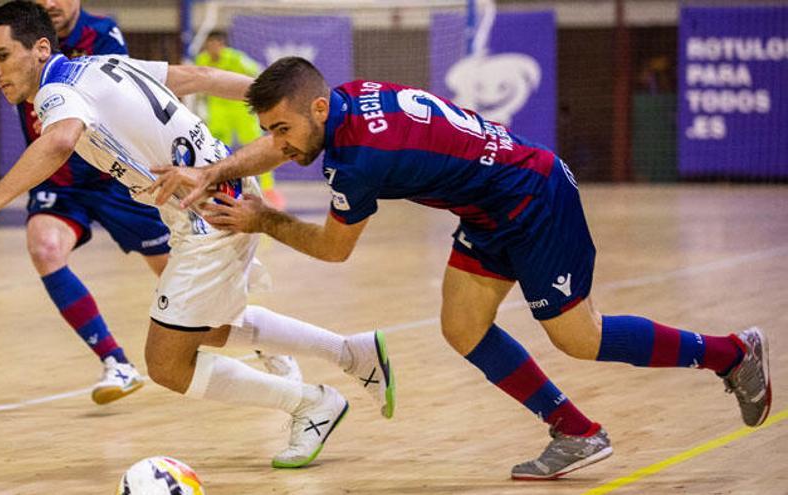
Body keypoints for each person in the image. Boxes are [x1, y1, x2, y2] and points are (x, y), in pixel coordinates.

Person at [153, 57, 772, 480]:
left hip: (533, 199)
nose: (278, 145)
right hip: (490, 208)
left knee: (578, 337)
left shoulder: (358, 161)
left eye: (283, 130)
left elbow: (334, 251)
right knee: (462, 326)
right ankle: (576, 432)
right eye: (268, 132)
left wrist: (264, 219)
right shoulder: (347, 100)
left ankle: (731, 354)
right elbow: (286, 141)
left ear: (317, 109)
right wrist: (213, 172)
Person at [0, 2, 395, 468]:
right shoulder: (102, 64)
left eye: (2, 56)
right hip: (214, 197)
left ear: (41, 49)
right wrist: (283, 99)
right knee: (210, 326)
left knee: (167, 363)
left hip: (207, 211)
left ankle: (311, 404)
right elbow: (197, 78)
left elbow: (60, 139)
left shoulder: (55, 91)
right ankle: (350, 352)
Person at [0, 0, 296, 405]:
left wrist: (280, 99)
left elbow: (168, 85)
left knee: (190, 302)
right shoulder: (9, 35)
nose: (50, 2)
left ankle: (275, 346)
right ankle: (114, 360)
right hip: (59, 176)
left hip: (122, 178)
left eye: (1, 57)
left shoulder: (100, 38)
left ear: (41, 46)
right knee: (45, 247)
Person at [195, 30, 284, 209]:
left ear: (222, 44)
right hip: (218, 112)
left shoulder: (236, 59)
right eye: (209, 44)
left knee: (259, 148)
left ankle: (268, 190)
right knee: (215, 151)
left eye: (216, 44)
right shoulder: (202, 60)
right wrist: (200, 107)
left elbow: (258, 72)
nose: (213, 48)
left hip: (241, 110)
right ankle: (219, 188)